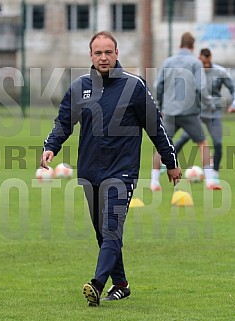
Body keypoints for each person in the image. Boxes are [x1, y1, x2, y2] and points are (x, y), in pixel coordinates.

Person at [40, 31, 182, 307]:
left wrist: (171, 162)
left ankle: (96, 283)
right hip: (90, 171)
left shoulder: (135, 86)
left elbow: (156, 128)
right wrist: (51, 146)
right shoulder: (80, 86)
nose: (103, 57)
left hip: (122, 171)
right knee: (102, 234)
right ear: (91, 56)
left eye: (108, 52)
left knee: (112, 229)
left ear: (117, 54)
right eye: (98, 53)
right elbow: (63, 122)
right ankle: (121, 284)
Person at [150, 32, 218, 191]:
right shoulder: (195, 63)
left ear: (180, 45)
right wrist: (208, 103)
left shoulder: (168, 62)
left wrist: (160, 105)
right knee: (203, 144)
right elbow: (200, 87)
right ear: (193, 46)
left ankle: (154, 182)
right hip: (189, 112)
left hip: (170, 111)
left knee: (161, 145)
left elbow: (158, 85)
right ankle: (210, 181)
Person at [174, 48, 235, 189]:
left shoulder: (220, 72)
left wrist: (233, 103)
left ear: (211, 58)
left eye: (208, 63)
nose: (206, 66)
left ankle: (214, 174)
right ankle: (168, 162)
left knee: (218, 143)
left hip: (214, 114)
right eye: (203, 63)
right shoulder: (194, 72)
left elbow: (233, 88)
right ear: (199, 58)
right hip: (197, 113)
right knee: (183, 138)